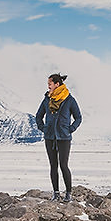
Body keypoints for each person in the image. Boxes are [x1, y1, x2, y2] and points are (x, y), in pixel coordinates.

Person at [34, 73, 82, 203]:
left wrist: (70, 129)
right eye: (48, 83)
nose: (48, 86)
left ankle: (68, 193)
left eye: (50, 83)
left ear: (57, 84)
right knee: (53, 165)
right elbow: (38, 116)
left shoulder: (69, 99)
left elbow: (78, 118)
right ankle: (56, 193)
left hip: (64, 138)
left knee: (64, 165)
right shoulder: (46, 99)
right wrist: (43, 128)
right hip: (50, 137)